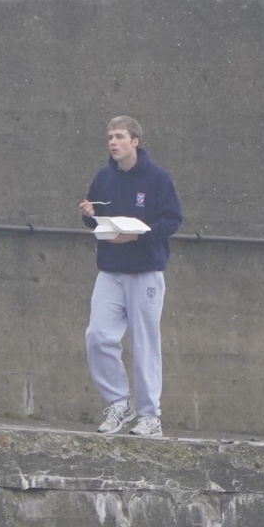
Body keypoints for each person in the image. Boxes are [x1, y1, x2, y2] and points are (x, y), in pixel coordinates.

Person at [79, 115, 182, 437]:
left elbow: (172, 220)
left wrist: (139, 236)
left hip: (145, 271)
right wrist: (90, 215)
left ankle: (150, 416)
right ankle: (118, 404)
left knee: (144, 343)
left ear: (134, 142)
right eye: (110, 136)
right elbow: (96, 223)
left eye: (119, 136)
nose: (113, 142)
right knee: (98, 336)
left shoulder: (157, 179)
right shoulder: (103, 179)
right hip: (110, 270)